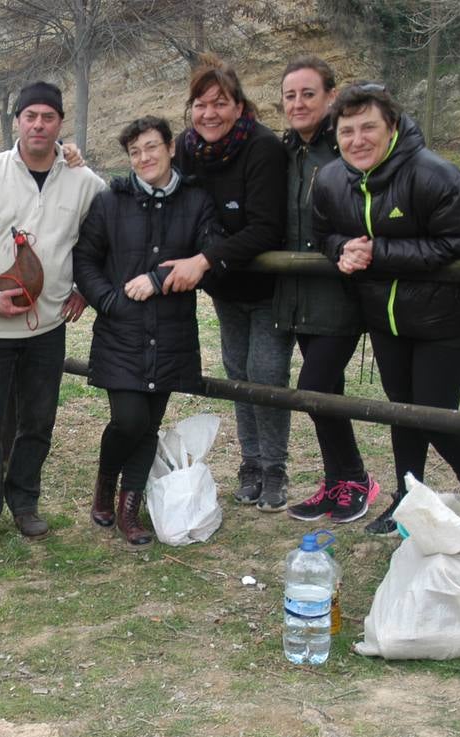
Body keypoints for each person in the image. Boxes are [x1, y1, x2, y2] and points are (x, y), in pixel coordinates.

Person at [312, 83, 460, 536]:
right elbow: (323, 231)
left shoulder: (434, 174)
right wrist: (342, 249)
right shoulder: (332, 179)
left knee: (433, 408)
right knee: (401, 410)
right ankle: (406, 498)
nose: (357, 140)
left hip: (446, 318)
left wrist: (377, 253)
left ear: (391, 126)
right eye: (346, 130)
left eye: (368, 127)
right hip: (385, 318)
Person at [0, 82, 105, 555]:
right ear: (16, 120)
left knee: (38, 419)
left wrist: (85, 288)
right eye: (30, 116)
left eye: (48, 117)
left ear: (60, 123)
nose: (38, 124)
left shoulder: (86, 183)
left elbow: (104, 237)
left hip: (48, 325)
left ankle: (24, 502)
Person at [73, 116, 217, 546]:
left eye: (152, 148)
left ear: (171, 148)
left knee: (150, 421)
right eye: (135, 152)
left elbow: (211, 253)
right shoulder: (110, 202)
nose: (144, 158)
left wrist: (161, 277)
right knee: (128, 419)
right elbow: (85, 259)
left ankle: (129, 509)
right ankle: (104, 483)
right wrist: (110, 301)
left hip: (172, 332)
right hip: (122, 331)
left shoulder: (195, 201)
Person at [161, 55, 292, 512]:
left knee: (267, 375)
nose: (209, 113)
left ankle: (275, 468)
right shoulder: (188, 149)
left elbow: (265, 229)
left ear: (239, 106)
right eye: (200, 104)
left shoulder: (262, 148)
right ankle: (250, 464)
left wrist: (205, 258)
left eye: (220, 103)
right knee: (238, 372)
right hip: (225, 288)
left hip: (269, 287)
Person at [273, 57, 381, 525]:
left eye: (308, 93)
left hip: (343, 294)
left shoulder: (347, 147)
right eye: (290, 95)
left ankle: (355, 478)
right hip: (298, 294)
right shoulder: (286, 152)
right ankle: (337, 482)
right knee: (326, 389)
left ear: (330, 97)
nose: (298, 103)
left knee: (313, 387)